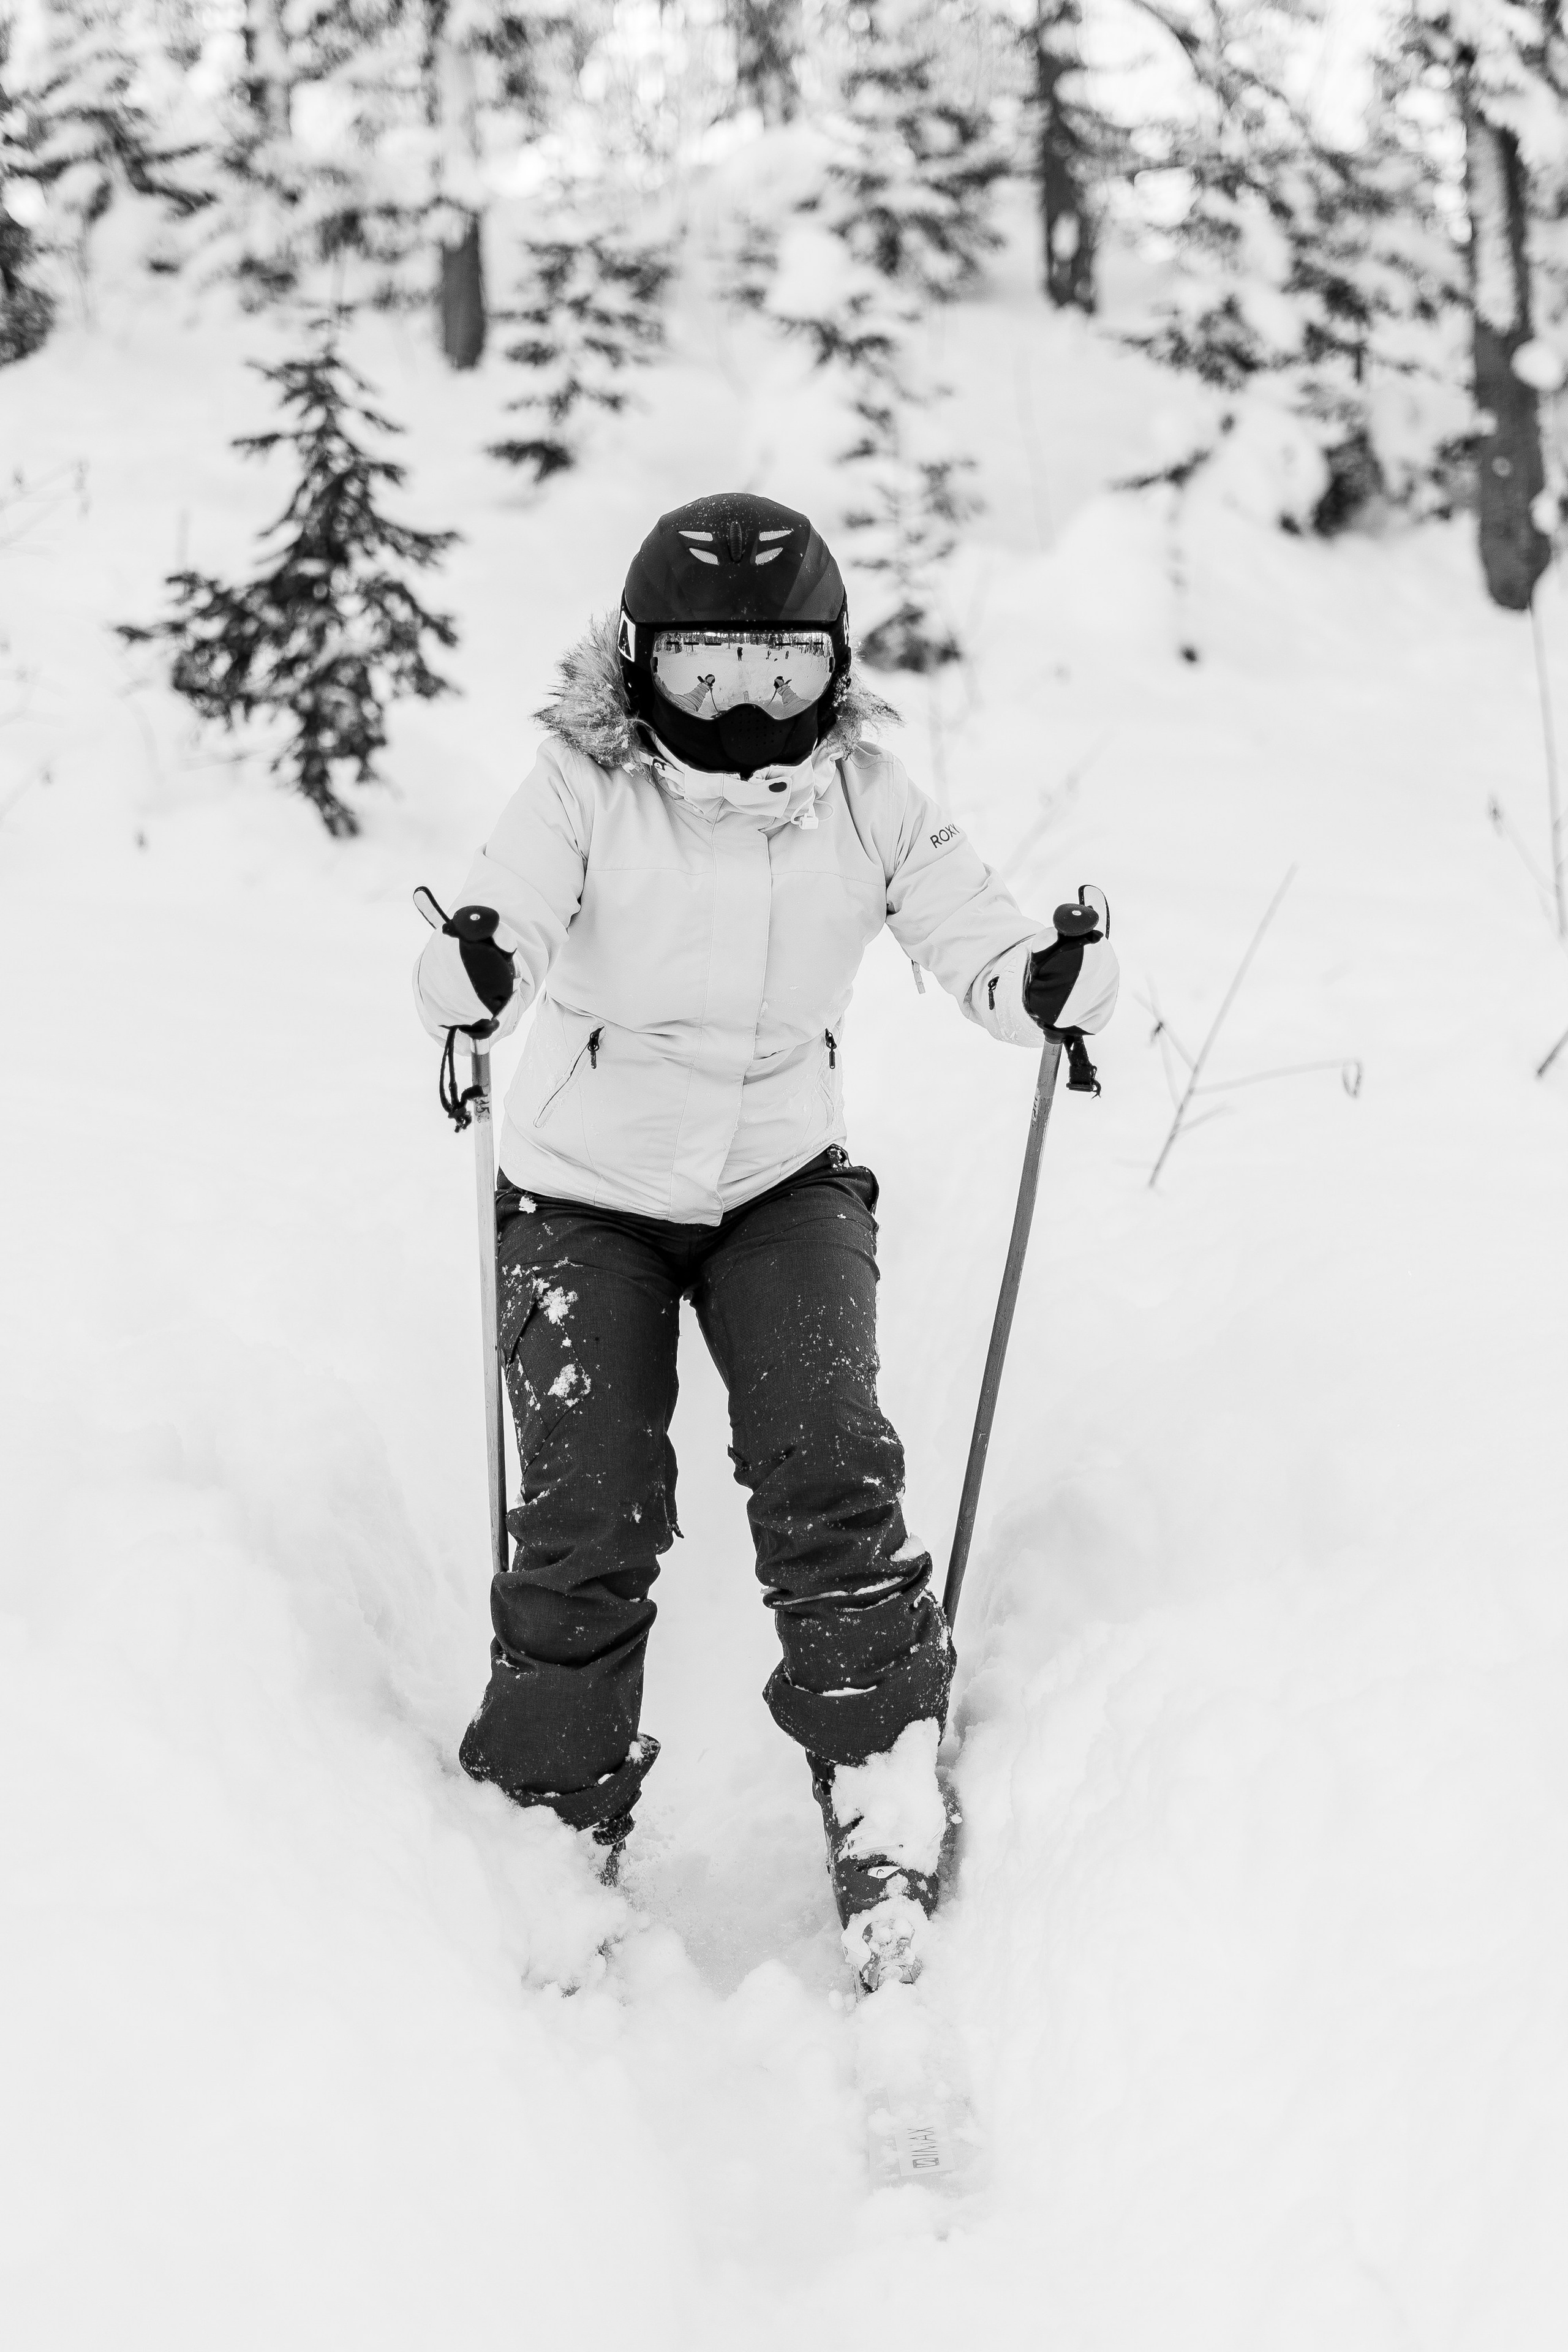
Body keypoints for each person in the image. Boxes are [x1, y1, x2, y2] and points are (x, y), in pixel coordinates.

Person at [414, 491, 1118, 1988]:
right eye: (707, 666)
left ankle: (876, 1806)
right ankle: (549, 1824)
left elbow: (974, 939)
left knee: (828, 1466)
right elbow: (506, 914)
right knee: (588, 1505)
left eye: (784, 666)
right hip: (581, 1192)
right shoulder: (581, 783)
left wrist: (1041, 982)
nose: (747, 701)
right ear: (640, 664)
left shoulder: (868, 796)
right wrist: (470, 964)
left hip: (776, 1181)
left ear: (834, 662)